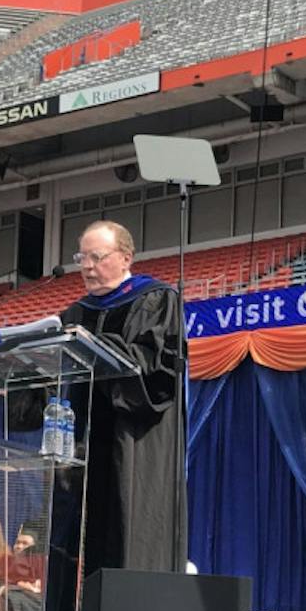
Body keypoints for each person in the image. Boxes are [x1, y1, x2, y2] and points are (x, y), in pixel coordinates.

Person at [59, 220, 187, 573]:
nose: (86, 266)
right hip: (80, 447)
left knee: (124, 528)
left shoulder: (157, 299)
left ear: (125, 257)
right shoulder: (75, 313)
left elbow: (157, 369)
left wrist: (98, 346)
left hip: (132, 439)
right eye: (81, 257)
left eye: (96, 256)